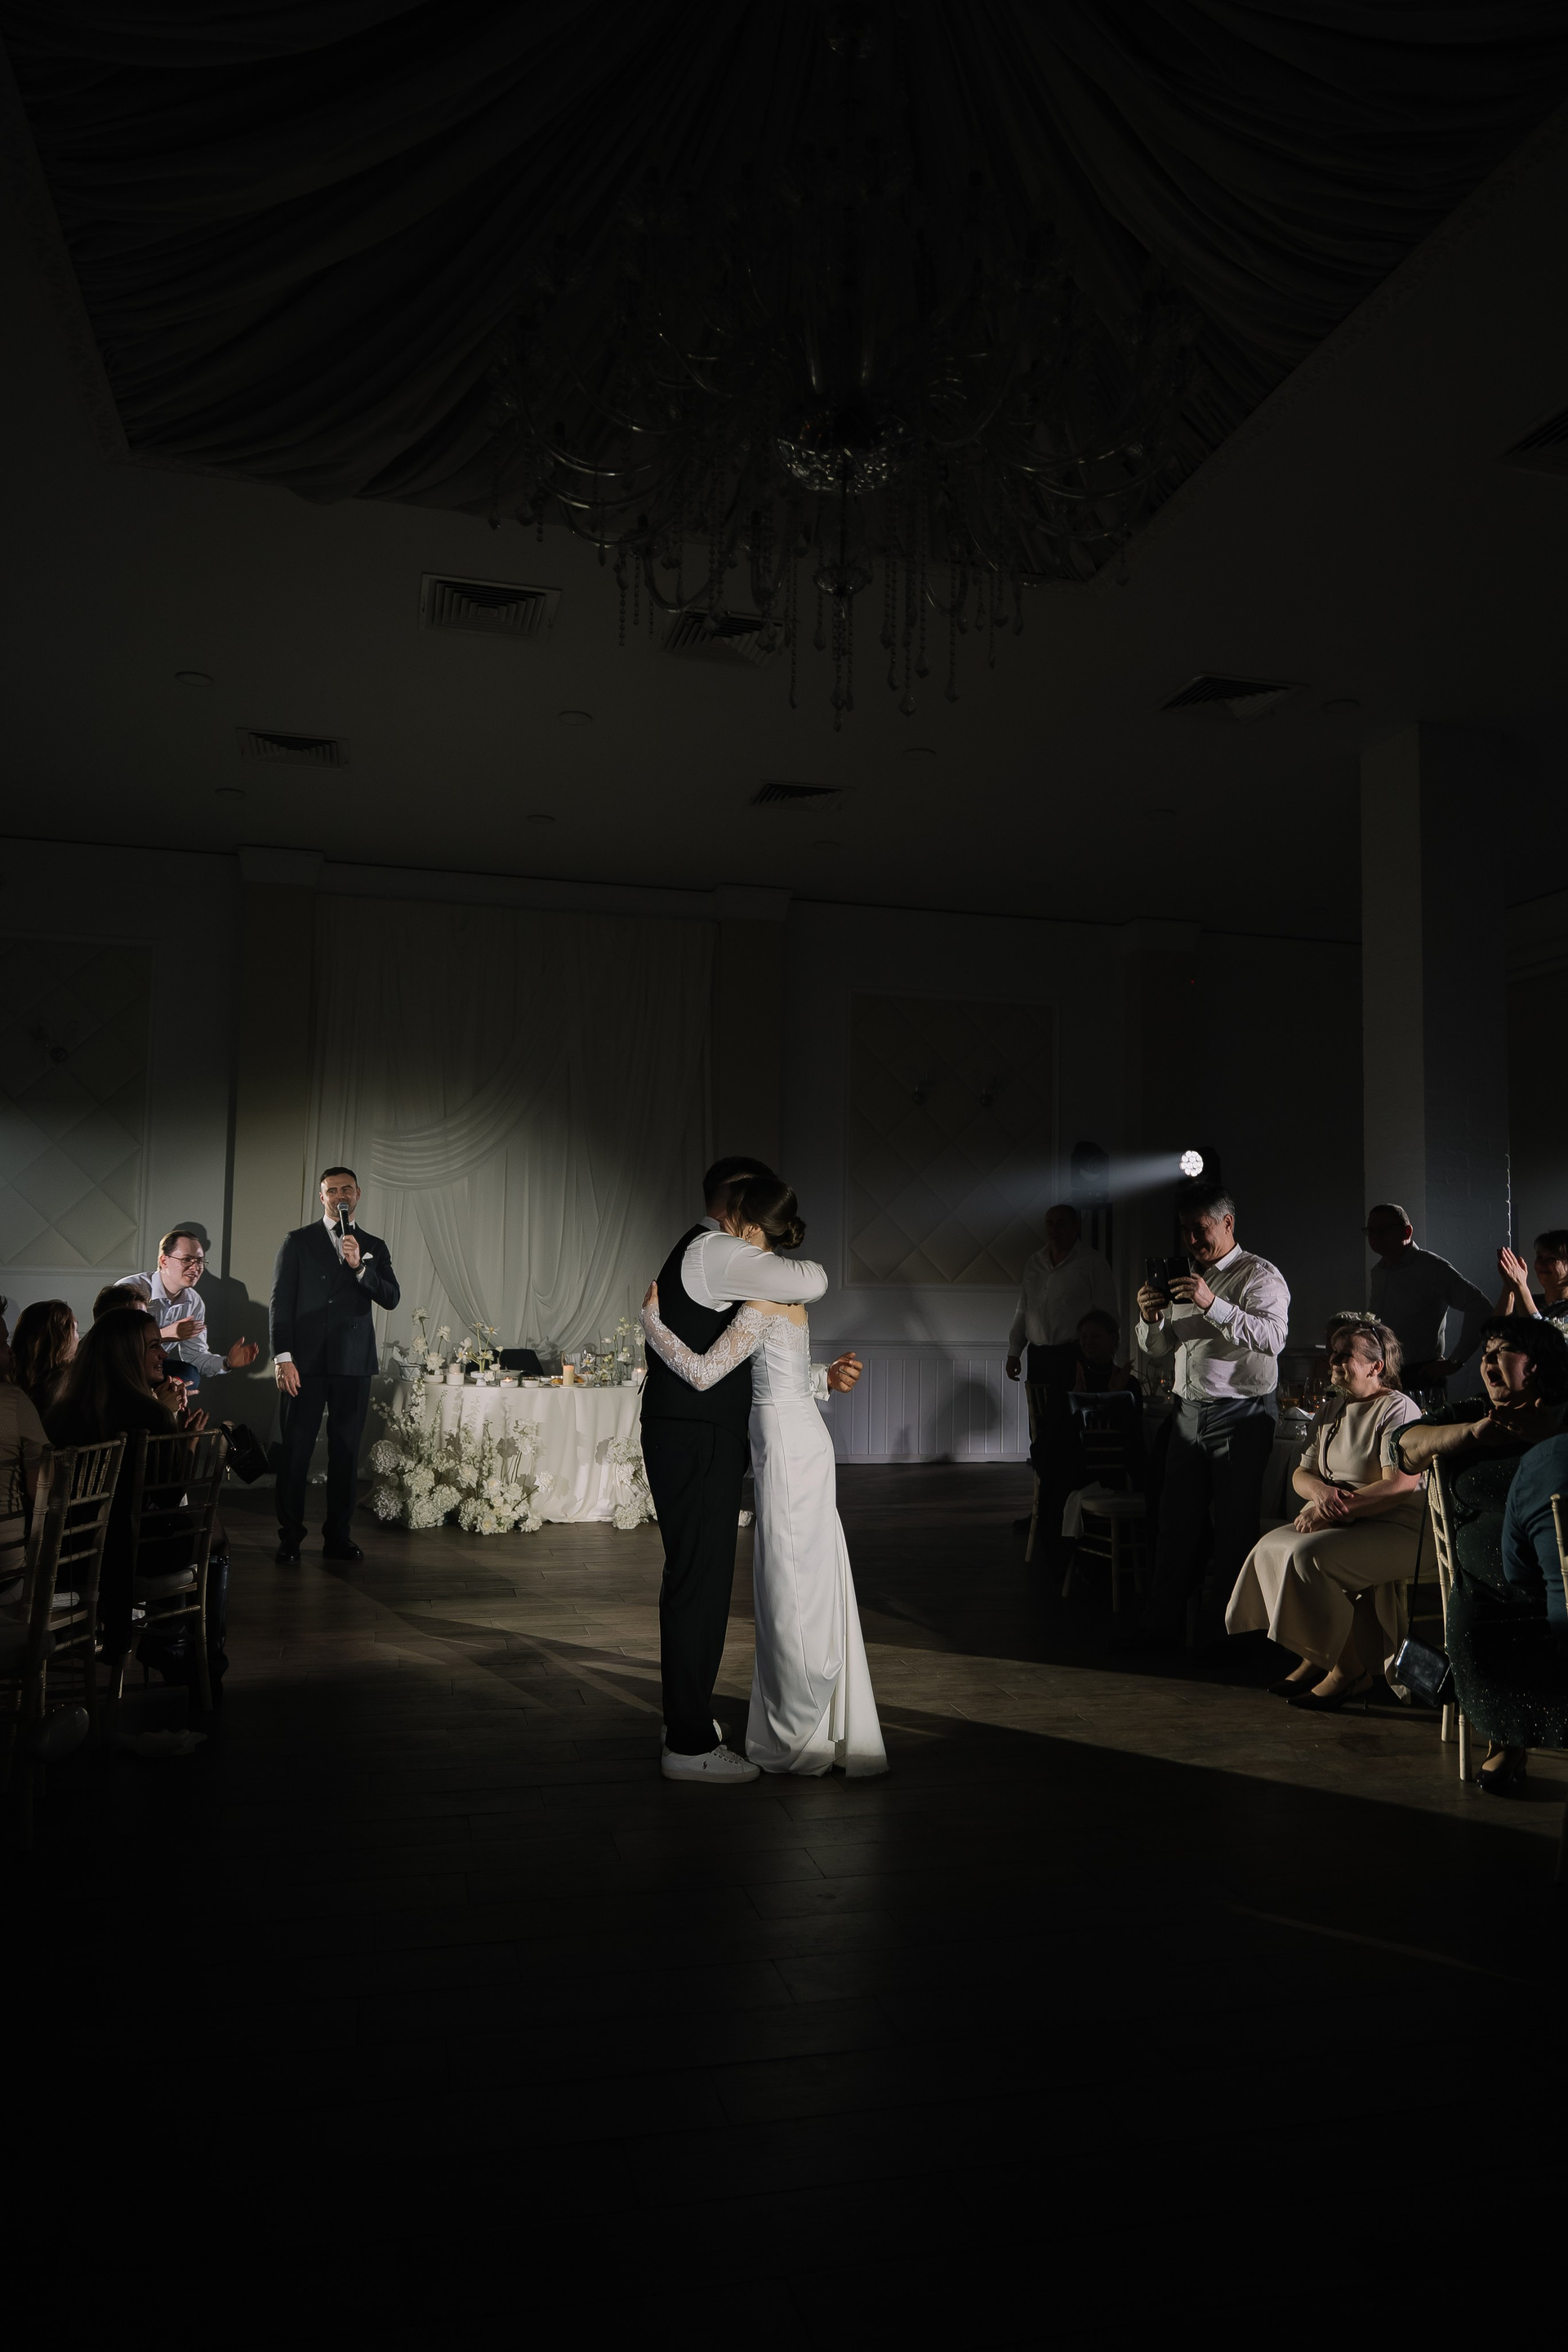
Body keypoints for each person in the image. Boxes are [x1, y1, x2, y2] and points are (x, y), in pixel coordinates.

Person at [642, 1174, 885, 1779]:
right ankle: (805, 1722)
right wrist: (824, 1378)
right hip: (800, 1439)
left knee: (789, 1583)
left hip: (785, 1447)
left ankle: (794, 1730)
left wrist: (652, 1326)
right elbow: (780, 1374)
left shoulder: (758, 1295)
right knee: (803, 1578)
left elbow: (705, 1373)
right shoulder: (767, 1288)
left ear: (750, 1226)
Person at [1392, 1314, 1568, 1790]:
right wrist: (1471, 1434)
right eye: (1484, 1354)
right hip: (1488, 1582)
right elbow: (1402, 1447)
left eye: (1500, 1352)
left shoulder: (1563, 1414)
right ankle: (1506, 1736)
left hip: (1560, 1574)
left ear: (1535, 1364)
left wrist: (1548, 1437)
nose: (1487, 1363)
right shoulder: (1474, 1413)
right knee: (1474, 1617)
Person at [1120, 1179, 1290, 1652]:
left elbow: (1273, 1339)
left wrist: (1212, 1303)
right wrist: (1150, 1319)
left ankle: (1227, 1639)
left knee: (1234, 1529)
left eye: (1200, 1229)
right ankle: (1160, 1629)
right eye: (1185, 1230)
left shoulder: (1260, 1276)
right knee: (1174, 1524)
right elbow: (1158, 1350)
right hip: (1187, 1412)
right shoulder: (1185, 1277)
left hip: (1241, 1414)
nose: (1191, 1240)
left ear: (1227, 1222)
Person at [1225, 1318, 1423, 1704]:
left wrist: (1331, 1510)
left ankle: (1349, 1671)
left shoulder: (1397, 1409)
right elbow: (1302, 1473)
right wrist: (1319, 1492)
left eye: (1344, 1355)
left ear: (1375, 1366)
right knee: (1269, 1548)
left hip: (1395, 1525)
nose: (1332, 1361)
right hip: (1348, 1520)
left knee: (1308, 1558)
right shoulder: (1333, 1408)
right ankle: (1317, 1655)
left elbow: (1398, 1485)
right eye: (1333, 1353)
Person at [46, 1306, 207, 1667]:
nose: (163, 1353)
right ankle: (187, 1653)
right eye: (153, 1346)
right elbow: (168, 1495)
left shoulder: (64, 1407)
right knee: (209, 1535)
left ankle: (172, 1647)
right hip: (126, 1554)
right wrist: (187, 1443)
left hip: (67, 1550)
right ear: (125, 1354)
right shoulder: (150, 1414)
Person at [270, 1166, 401, 1566]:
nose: (340, 1196)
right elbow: (281, 1302)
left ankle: (338, 1537)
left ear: (357, 1194)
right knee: (296, 1452)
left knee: (345, 1453)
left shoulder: (373, 1245)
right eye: (332, 1190)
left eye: (347, 1189)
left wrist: (360, 1267)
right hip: (304, 1364)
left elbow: (391, 1298)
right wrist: (283, 1358)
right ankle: (290, 1537)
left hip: (352, 1363)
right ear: (322, 1197)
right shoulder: (298, 1241)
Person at [1005, 1205, 1118, 1533]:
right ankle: (1043, 1509)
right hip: (1040, 1356)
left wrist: (1105, 1359)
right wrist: (1015, 1351)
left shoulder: (1092, 1263)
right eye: (1049, 1224)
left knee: (1071, 1434)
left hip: (1075, 1355)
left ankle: (1069, 1509)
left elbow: (1108, 1314)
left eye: (1060, 1223)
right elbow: (1024, 1309)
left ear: (1075, 1226)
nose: (1053, 1230)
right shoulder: (1035, 1261)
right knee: (1040, 1433)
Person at [1469, 1427, 1568, 1793]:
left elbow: (1521, 1575)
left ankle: (1509, 1736)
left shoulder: (1544, 1460)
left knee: (1504, 1612)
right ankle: (1508, 1736)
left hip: (1555, 1624)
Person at [1365, 1202, 1491, 1394]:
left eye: (1384, 1230)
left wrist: (1456, 1361)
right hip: (1382, 1373)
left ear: (1407, 1232)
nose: (1376, 1236)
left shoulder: (1430, 1267)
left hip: (1418, 1376)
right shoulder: (1380, 1271)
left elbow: (1480, 1307)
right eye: (1371, 1231)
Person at [136, 1227, 259, 1391]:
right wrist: (163, 1335)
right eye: (187, 1260)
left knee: (190, 1374)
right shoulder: (133, 1288)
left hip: (155, 1365)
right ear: (164, 1261)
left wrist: (227, 1362)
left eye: (200, 1261)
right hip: (121, 1363)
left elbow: (195, 1357)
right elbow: (115, 1341)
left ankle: (165, 1397)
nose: (195, 1268)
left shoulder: (194, 1302)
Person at [0, 1298, 47, 1600]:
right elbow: (41, 1489)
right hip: (5, 1572)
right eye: (2, 1344)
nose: (10, 1351)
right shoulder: (13, 1401)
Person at [10, 1298, 78, 1417]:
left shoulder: (11, 1385)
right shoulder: (71, 1387)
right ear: (61, 1340)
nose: (79, 1338)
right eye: (76, 1330)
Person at [1494, 1230, 1568, 1331]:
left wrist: (1520, 1286)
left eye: (1551, 1258)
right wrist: (1509, 1287)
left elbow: (1541, 1338)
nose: (1541, 1264)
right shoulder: (1532, 1301)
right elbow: (1493, 1334)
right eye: (1539, 1257)